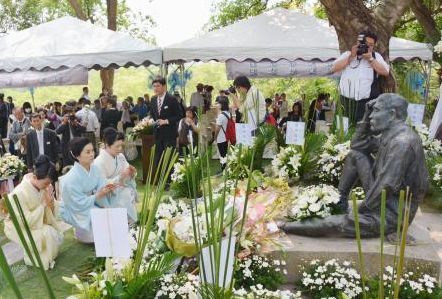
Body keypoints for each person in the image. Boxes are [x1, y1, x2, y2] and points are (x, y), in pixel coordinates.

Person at [281, 94, 428, 238]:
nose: (371, 116)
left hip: (391, 213)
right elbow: (357, 146)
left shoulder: (402, 142)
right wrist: (365, 115)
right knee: (354, 155)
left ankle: (285, 227)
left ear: (391, 114)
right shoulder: (391, 134)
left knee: (338, 223)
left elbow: (386, 186)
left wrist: (360, 210)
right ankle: (340, 202)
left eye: (375, 111)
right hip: (383, 197)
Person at [4, 155, 63, 270]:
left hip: (36, 222)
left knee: (54, 233)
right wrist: (44, 205)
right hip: (19, 226)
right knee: (48, 233)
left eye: (49, 183)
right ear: (35, 177)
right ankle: (34, 258)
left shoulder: (43, 186)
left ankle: (47, 257)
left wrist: (51, 203)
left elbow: (52, 210)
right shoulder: (18, 194)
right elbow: (25, 221)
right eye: (46, 183)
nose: (48, 186)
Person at [59, 137, 117, 243]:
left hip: (91, 202)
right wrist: (97, 196)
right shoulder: (71, 178)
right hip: (78, 210)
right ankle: (83, 233)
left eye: (92, 151)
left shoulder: (95, 169)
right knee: (101, 224)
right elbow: (76, 203)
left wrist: (108, 187)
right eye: (88, 152)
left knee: (111, 213)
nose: (92, 154)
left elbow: (101, 184)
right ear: (77, 155)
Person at [332, 30, 389, 124]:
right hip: (345, 103)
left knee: (363, 134)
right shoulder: (348, 54)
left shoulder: (375, 56)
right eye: (365, 43)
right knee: (342, 132)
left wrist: (370, 59)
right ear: (358, 42)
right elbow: (333, 68)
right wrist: (351, 57)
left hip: (366, 104)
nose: (367, 46)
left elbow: (385, 71)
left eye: (371, 45)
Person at [94, 128, 138, 222]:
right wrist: (121, 177)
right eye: (117, 146)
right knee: (125, 197)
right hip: (108, 196)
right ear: (106, 145)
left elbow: (127, 171)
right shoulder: (98, 162)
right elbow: (101, 186)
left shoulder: (120, 157)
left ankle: (129, 224)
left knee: (127, 194)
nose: (120, 149)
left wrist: (131, 172)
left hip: (121, 189)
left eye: (121, 146)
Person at [149, 77, 181, 170]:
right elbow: (152, 114)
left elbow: (179, 115)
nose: (155, 88)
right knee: (158, 158)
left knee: (169, 158)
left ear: (164, 86)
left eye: (158, 86)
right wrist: (151, 120)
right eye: (154, 86)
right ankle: (159, 181)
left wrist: (166, 121)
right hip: (157, 135)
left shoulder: (172, 99)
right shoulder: (153, 99)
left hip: (169, 135)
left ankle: (169, 182)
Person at [214, 96, 230, 171]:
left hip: (221, 138)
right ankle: (225, 168)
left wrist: (215, 137)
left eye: (218, 103)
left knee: (222, 155)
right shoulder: (228, 113)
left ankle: (223, 169)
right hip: (226, 137)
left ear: (221, 105)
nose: (216, 105)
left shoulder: (221, 116)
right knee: (225, 154)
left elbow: (217, 129)